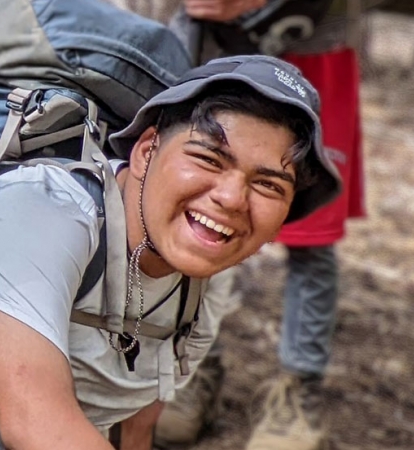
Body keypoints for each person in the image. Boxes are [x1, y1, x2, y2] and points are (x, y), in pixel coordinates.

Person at [0, 55, 339, 450]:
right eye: (209, 159)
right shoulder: (42, 211)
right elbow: (34, 422)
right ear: (147, 150)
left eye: (268, 185)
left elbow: (135, 415)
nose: (231, 199)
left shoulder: (204, 276)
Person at [152, 1, 366, 450]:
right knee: (204, 211)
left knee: (311, 234)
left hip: (311, 43)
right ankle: (192, 366)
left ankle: (298, 390)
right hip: (213, 46)